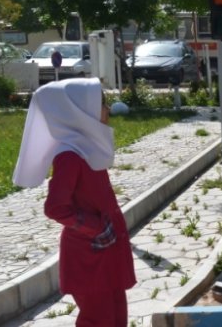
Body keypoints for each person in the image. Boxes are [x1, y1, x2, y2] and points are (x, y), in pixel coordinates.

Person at [12, 78, 136, 326]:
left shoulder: (87, 147)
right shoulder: (70, 155)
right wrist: (96, 227)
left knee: (117, 315)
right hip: (88, 254)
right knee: (98, 319)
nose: (107, 109)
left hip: (106, 248)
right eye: (102, 103)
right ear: (80, 110)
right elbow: (56, 207)